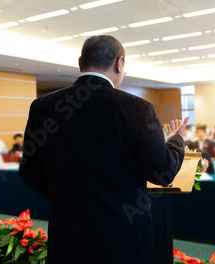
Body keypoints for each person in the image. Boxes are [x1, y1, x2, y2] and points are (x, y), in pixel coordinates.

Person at [19, 35, 187, 263]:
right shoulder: (137, 109)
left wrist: (68, 197)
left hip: (68, 234)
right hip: (122, 236)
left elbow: (29, 171)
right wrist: (176, 141)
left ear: (80, 63)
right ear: (120, 63)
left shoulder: (42, 106)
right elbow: (163, 173)